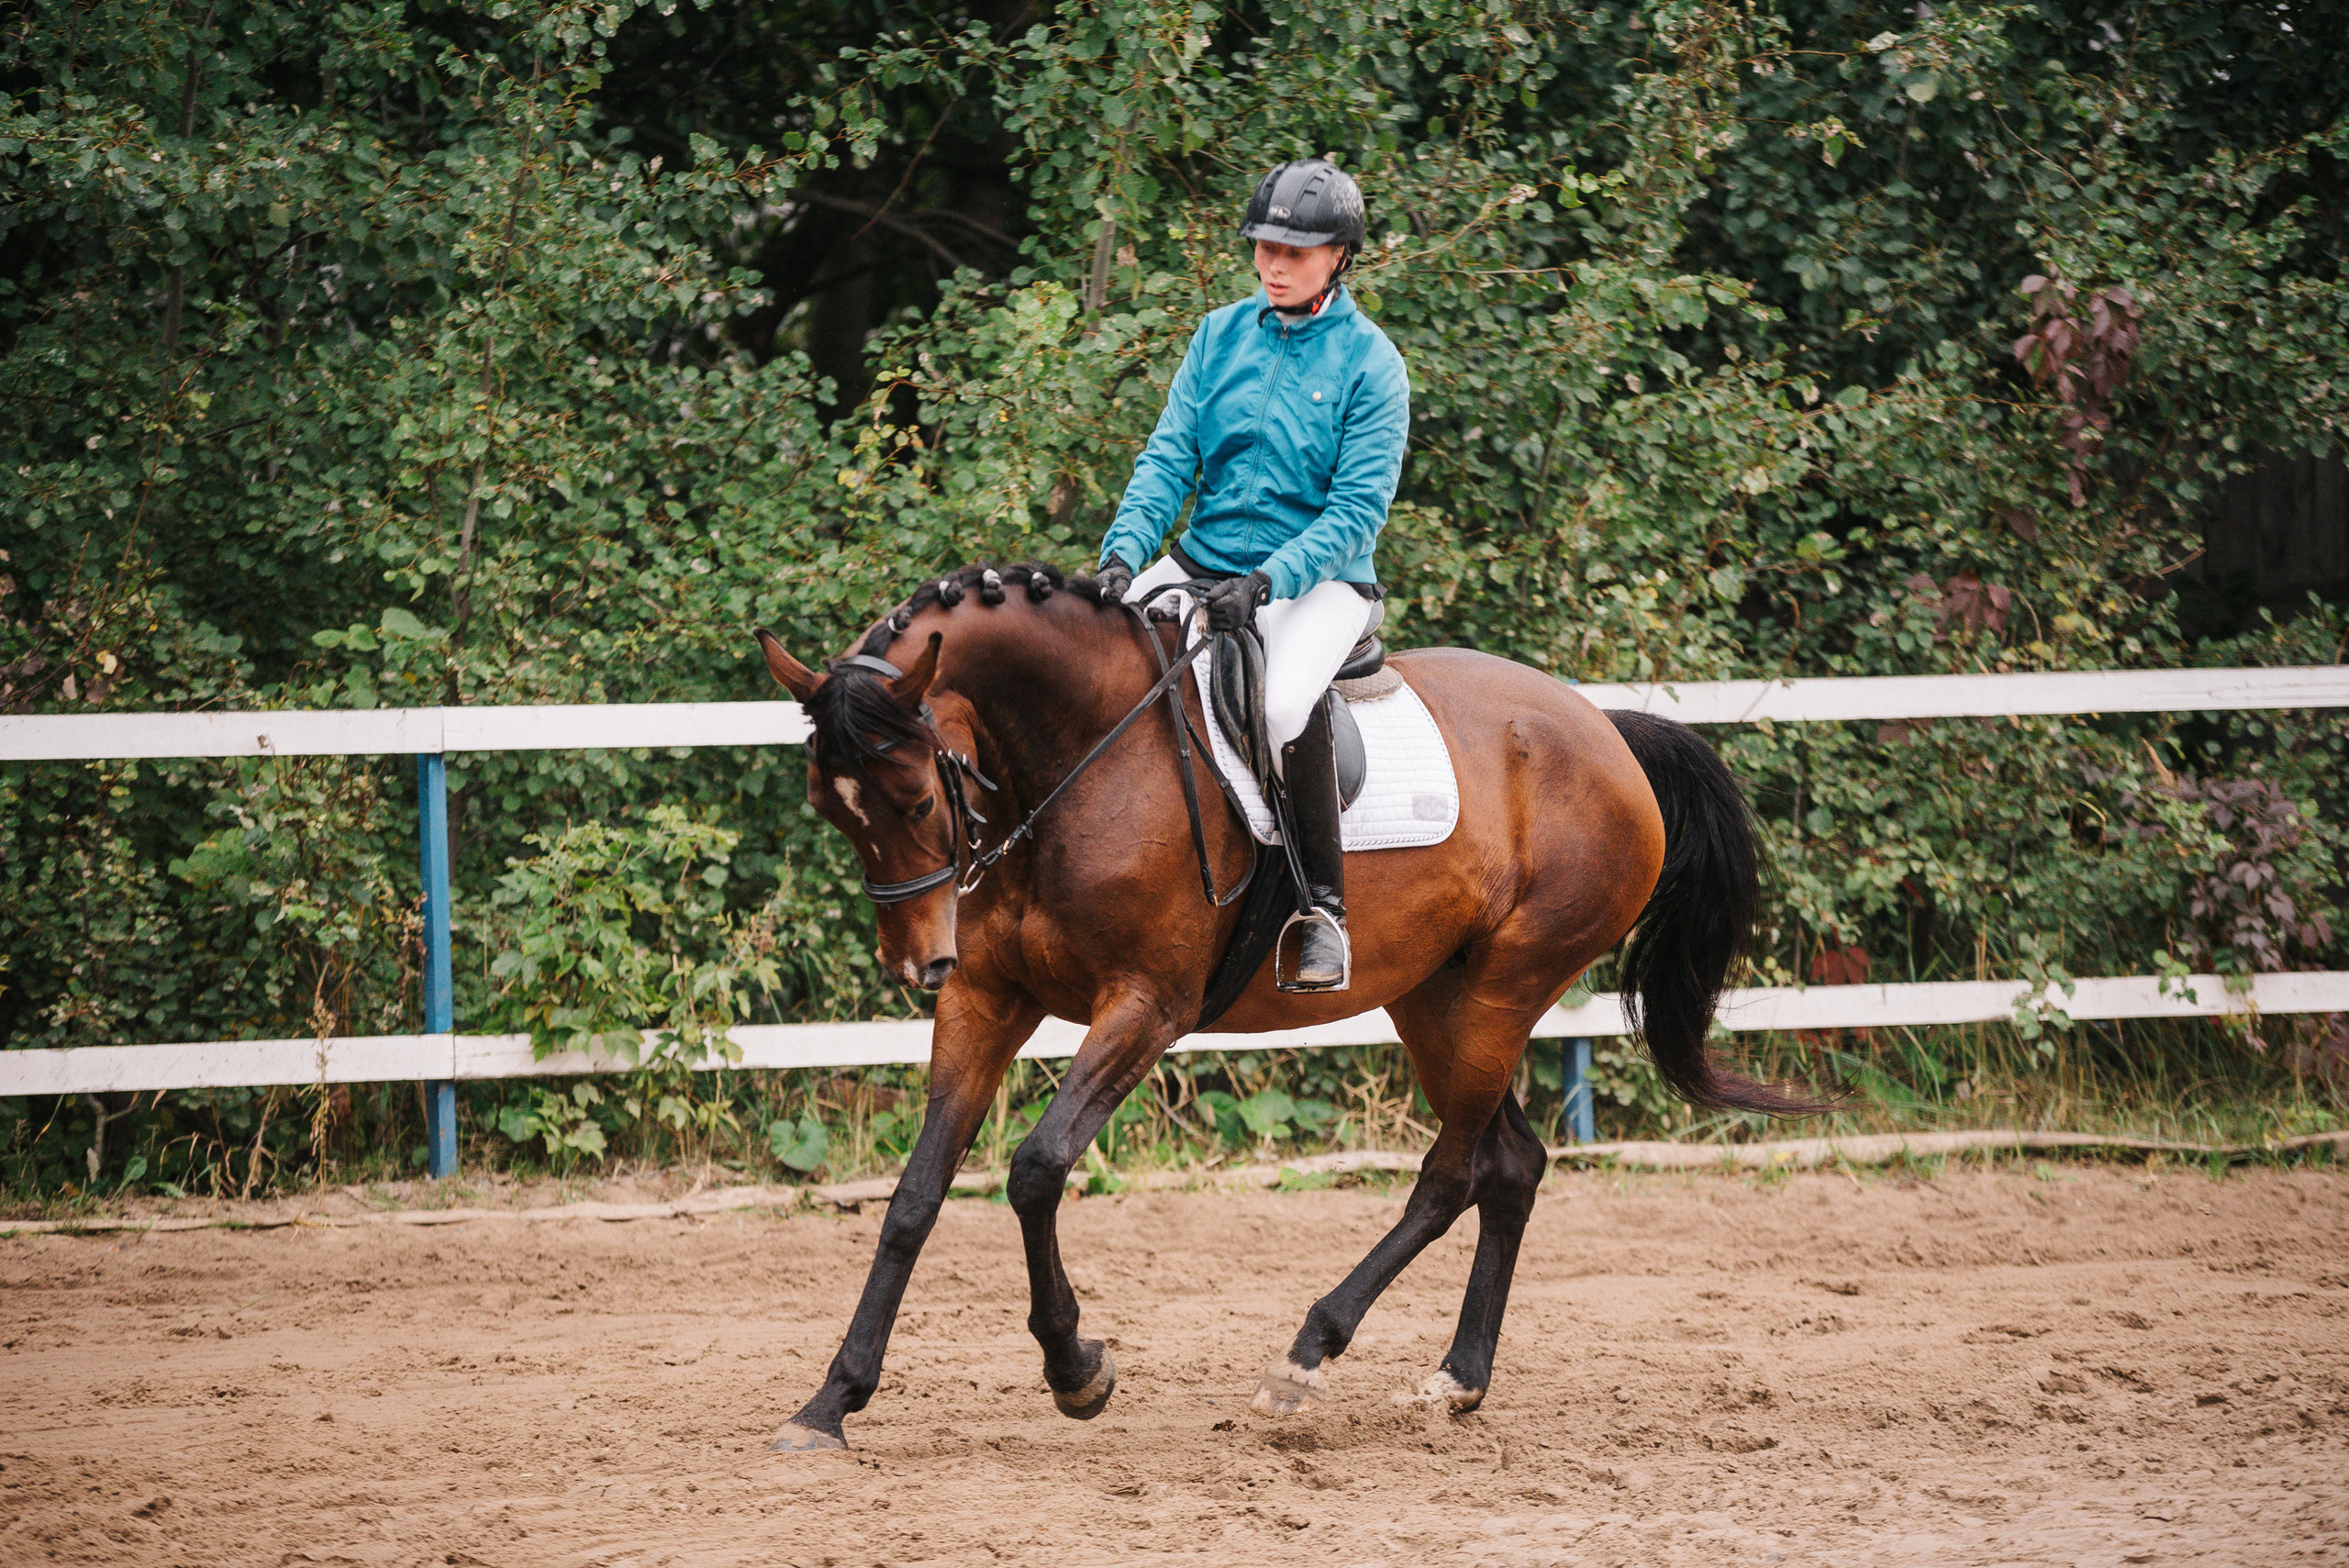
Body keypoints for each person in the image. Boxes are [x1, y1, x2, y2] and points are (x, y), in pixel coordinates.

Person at [1093, 158, 1410, 991]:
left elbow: (1356, 512)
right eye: (1265, 247)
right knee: (1095, 649)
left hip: (1321, 581)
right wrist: (1123, 554)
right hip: (1203, 560)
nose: (1273, 265)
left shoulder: (1372, 364)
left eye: (1293, 253)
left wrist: (1268, 581)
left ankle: (1323, 912)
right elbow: (1168, 459)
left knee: (1280, 705)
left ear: (1339, 257)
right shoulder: (1218, 336)